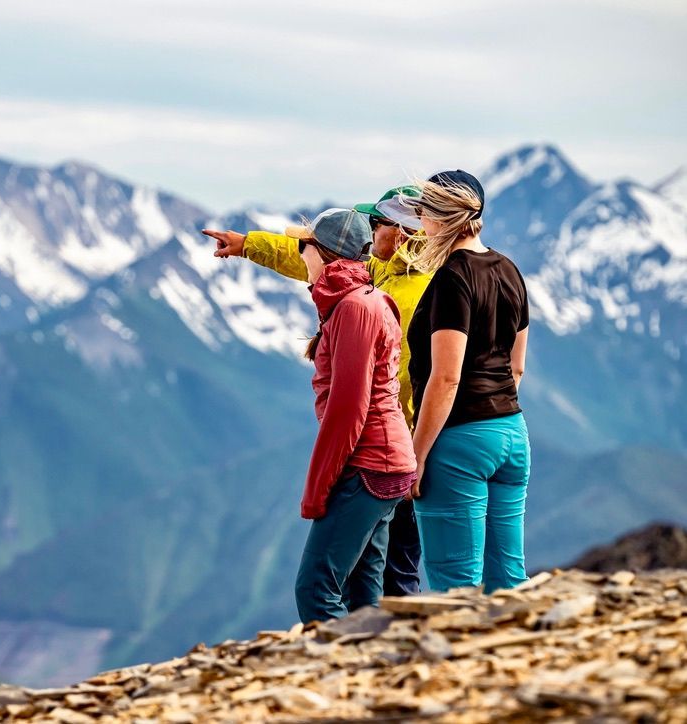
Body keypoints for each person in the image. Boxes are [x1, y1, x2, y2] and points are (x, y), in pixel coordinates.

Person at [203, 186, 430, 597]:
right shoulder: (376, 275)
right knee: (369, 581)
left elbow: (372, 395)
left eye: (376, 223)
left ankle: (401, 637)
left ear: (400, 232)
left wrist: (322, 485)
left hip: (383, 451)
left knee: (366, 579)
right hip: (393, 452)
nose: (370, 231)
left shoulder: (393, 297)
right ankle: (381, 639)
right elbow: (313, 256)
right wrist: (247, 244)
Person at [273, 208, 416, 622]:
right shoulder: (362, 299)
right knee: (363, 592)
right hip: (385, 463)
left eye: (304, 245)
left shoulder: (355, 308)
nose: (300, 253)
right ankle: (372, 660)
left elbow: (348, 409)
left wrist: (317, 489)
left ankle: (337, 663)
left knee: (316, 589)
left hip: (369, 463)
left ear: (324, 253)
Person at [402, 170, 531, 593]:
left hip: (459, 442)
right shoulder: (509, 269)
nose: (419, 223)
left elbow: (446, 376)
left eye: (422, 213)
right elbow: (516, 368)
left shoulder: (453, 277)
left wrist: (417, 455)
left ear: (439, 218)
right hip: (511, 434)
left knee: (455, 587)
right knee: (508, 580)